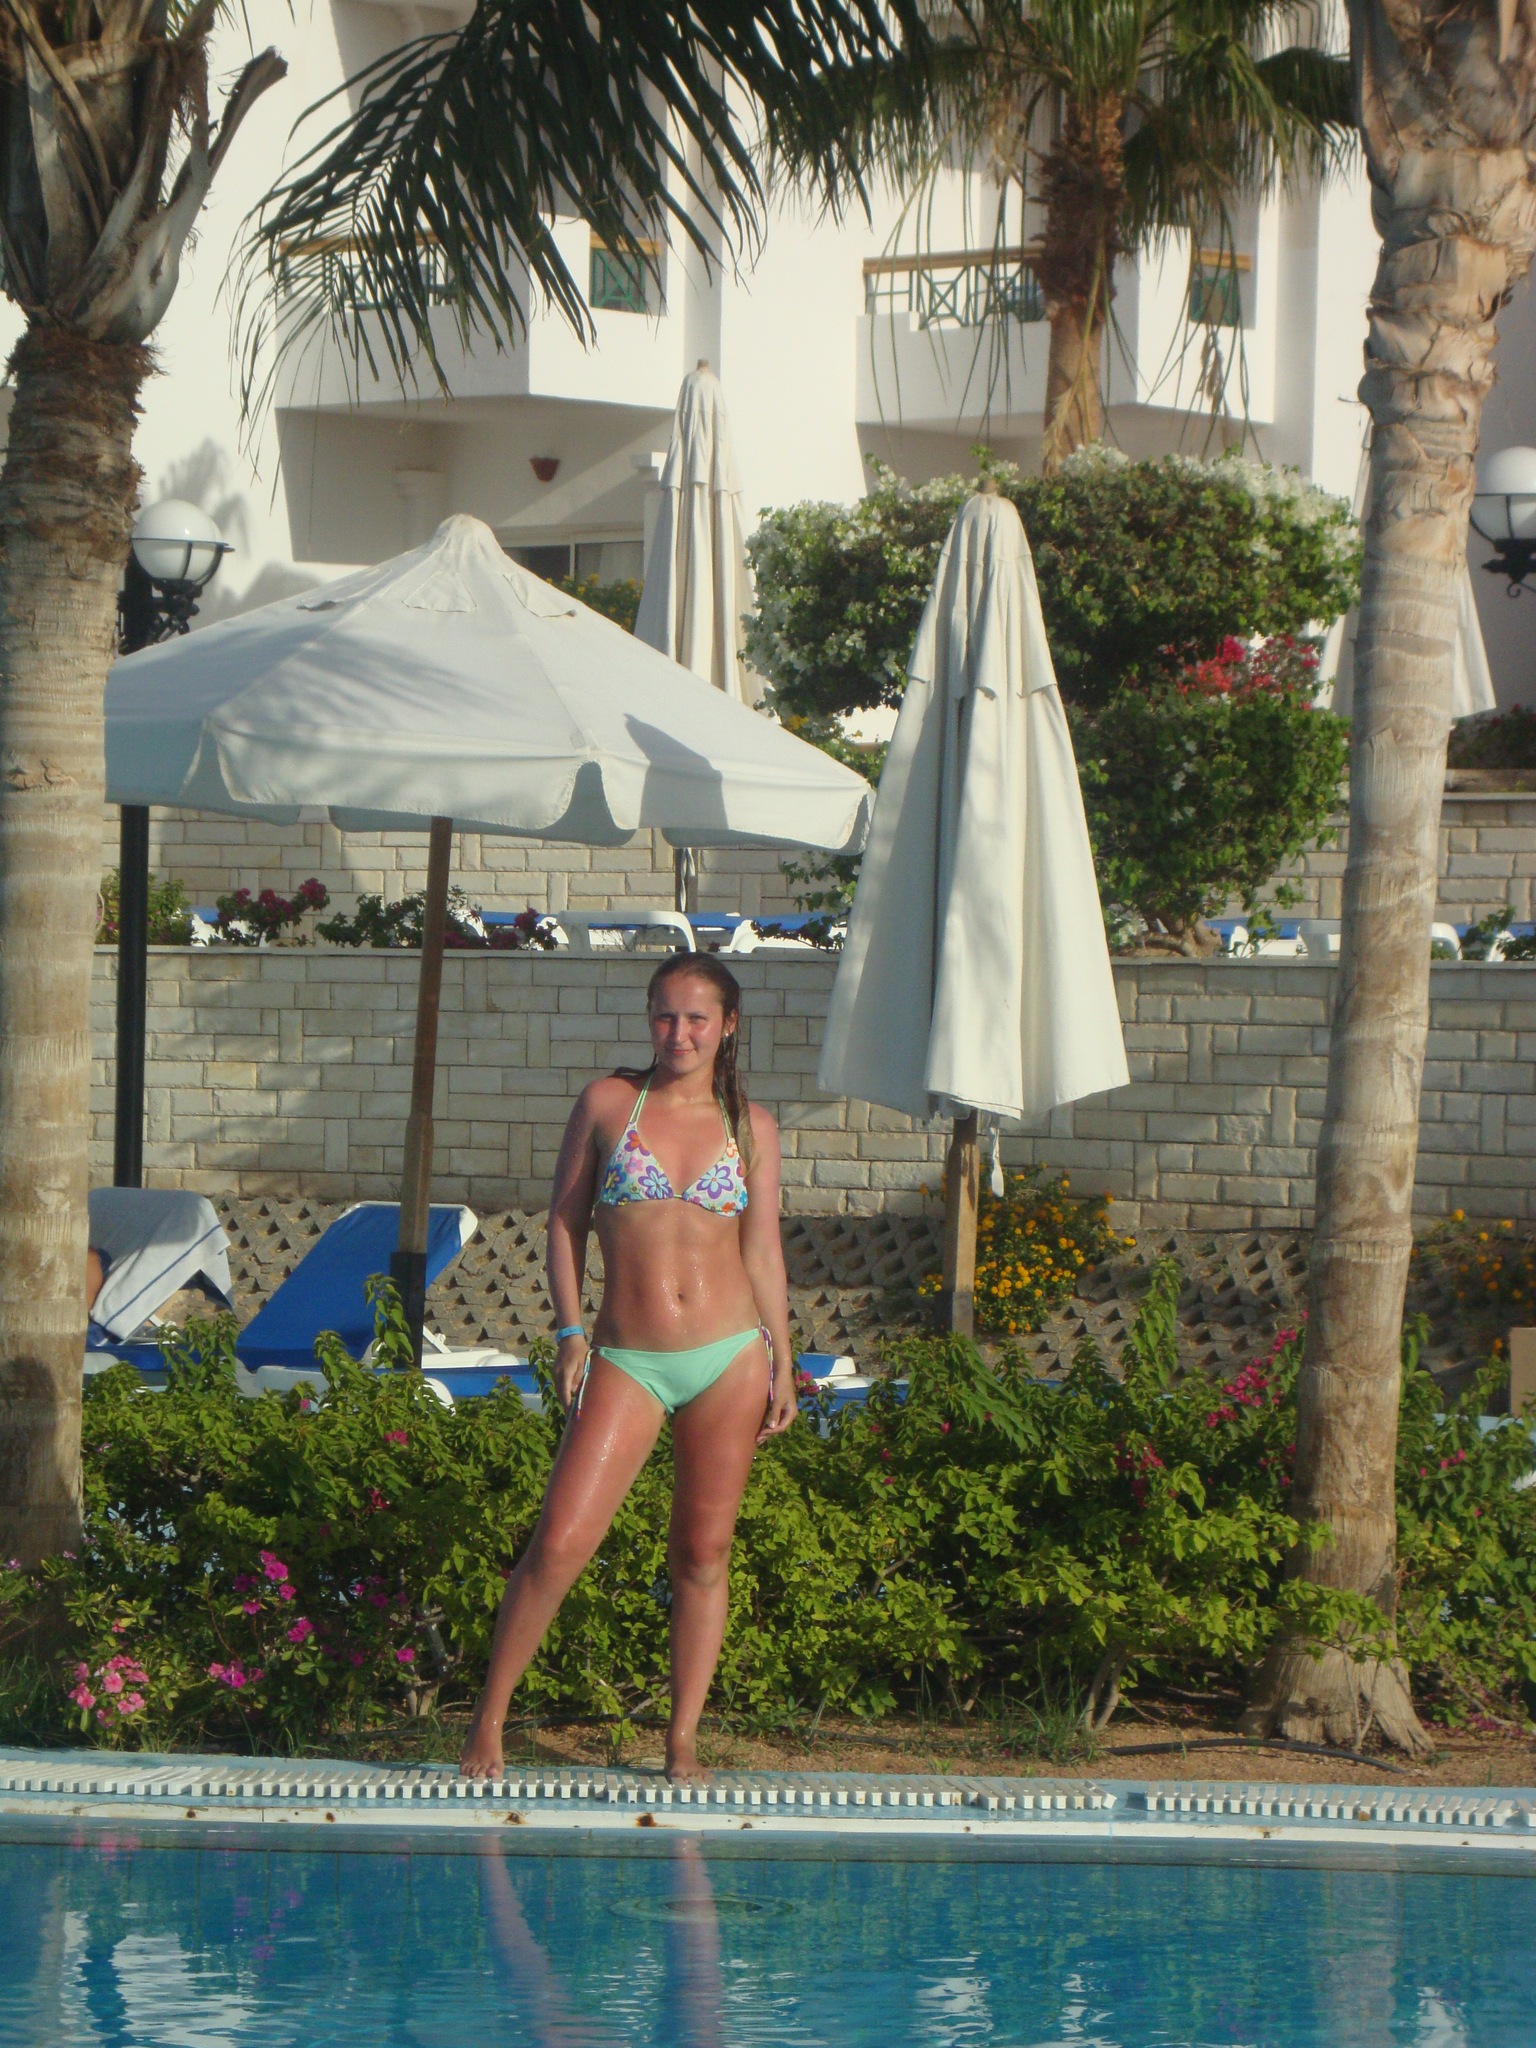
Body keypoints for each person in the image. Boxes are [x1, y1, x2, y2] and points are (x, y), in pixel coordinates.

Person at [459, 951, 796, 1784]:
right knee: (559, 1542)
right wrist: (571, 1333)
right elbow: (564, 1222)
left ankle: (682, 1740)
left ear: (728, 1026)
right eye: (664, 1015)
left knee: (704, 1553)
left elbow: (762, 1249)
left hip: (729, 1354)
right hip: (628, 1355)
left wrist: (784, 1360)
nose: (678, 1033)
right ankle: (488, 1722)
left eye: (696, 1018)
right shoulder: (610, 1104)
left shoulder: (751, 1125)